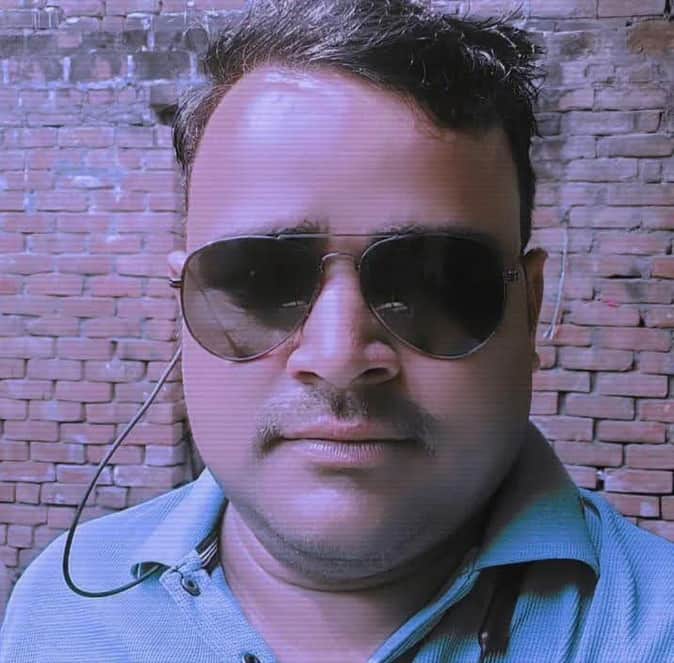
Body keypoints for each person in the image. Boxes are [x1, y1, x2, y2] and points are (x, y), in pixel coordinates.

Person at [2, 1, 674, 661]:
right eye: (261, 279)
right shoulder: (57, 613)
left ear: (530, 308)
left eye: (433, 281)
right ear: (183, 301)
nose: (339, 354)